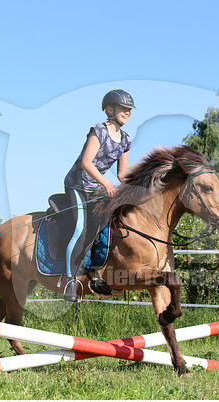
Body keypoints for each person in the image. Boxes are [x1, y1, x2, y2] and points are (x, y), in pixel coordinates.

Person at [59, 89, 135, 301]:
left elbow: (122, 174)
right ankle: (70, 281)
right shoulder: (98, 131)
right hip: (77, 185)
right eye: (123, 109)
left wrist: (138, 187)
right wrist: (107, 183)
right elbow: (86, 163)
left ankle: (93, 272)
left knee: (107, 227)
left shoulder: (126, 141)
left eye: (129, 110)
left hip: (97, 189)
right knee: (81, 229)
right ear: (110, 109)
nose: (127, 113)